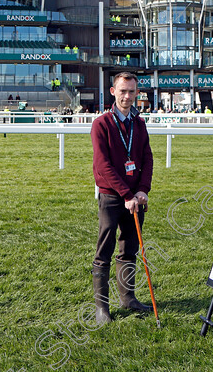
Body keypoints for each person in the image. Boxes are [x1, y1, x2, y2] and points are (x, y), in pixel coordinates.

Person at [91, 72, 154, 325]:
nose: (127, 96)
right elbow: (102, 165)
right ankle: (101, 309)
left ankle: (128, 298)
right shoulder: (101, 124)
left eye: (131, 91)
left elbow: (147, 158)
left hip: (135, 197)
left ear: (137, 93)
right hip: (111, 196)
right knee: (104, 250)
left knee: (129, 248)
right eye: (122, 91)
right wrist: (126, 194)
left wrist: (142, 190)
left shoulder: (139, 124)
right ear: (112, 91)